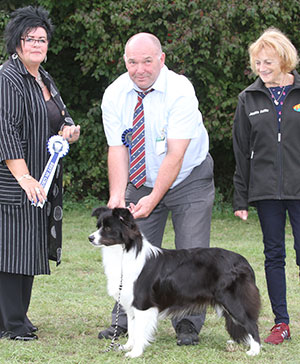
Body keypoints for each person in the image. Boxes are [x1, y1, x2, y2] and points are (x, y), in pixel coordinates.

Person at [100, 32, 215, 346]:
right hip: (140, 180)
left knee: (190, 252)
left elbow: (175, 154)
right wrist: (117, 194)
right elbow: (117, 149)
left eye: (147, 61)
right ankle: (124, 319)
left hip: (188, 178)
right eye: (132, 62)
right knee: (128, 250)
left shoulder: (180, 90)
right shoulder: (114, 94)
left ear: (161, 60)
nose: (139, 69)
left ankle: (188, 322)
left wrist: (154, 197)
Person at [0, 6, 80, 341]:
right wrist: (24, 177)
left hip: (41, 181)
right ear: (16, 43)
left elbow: (56, 119)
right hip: (15, 180)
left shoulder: (44, 78)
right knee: (9, 251)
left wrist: (68, 130)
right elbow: (5, 130)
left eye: (42, 39)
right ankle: (10, 323)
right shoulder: (7, 78)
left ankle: (20, 317)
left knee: (29, 247)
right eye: (29, 38)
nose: (36, 43)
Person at [233, 27, 300, 345]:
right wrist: (240, 198)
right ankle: (281, 324)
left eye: (268, 63)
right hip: (265, 192)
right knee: (274, 256)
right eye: (258, 63)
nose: (262, 69)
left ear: (285, 61)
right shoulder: (248, 98)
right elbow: (240, 150)